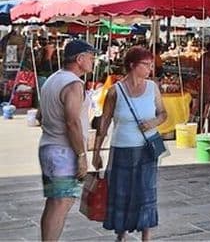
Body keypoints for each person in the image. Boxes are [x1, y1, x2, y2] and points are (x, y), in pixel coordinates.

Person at [92, 46, 167, 241]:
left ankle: (146, 236)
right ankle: (121, 233)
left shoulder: (152, 87)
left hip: (146, 148)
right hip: (122, 148)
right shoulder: (115, 91)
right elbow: (104, 122)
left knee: (146, 191)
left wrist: (153, 123)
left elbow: (163, 113)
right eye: (146, 64)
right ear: (133, 65)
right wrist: (96, 152)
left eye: (151, 65)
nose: (150, 68)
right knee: (121, 191)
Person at [38, 39, 96, 241]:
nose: (93, 61)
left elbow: (39, 115)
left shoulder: (54, 79)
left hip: (49, 145)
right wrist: (81, 155)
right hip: (62, 150)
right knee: (60, 203)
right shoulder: (73, 84)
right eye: (90, 57)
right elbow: (72, 122)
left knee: (55, 202)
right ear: (80, 59)